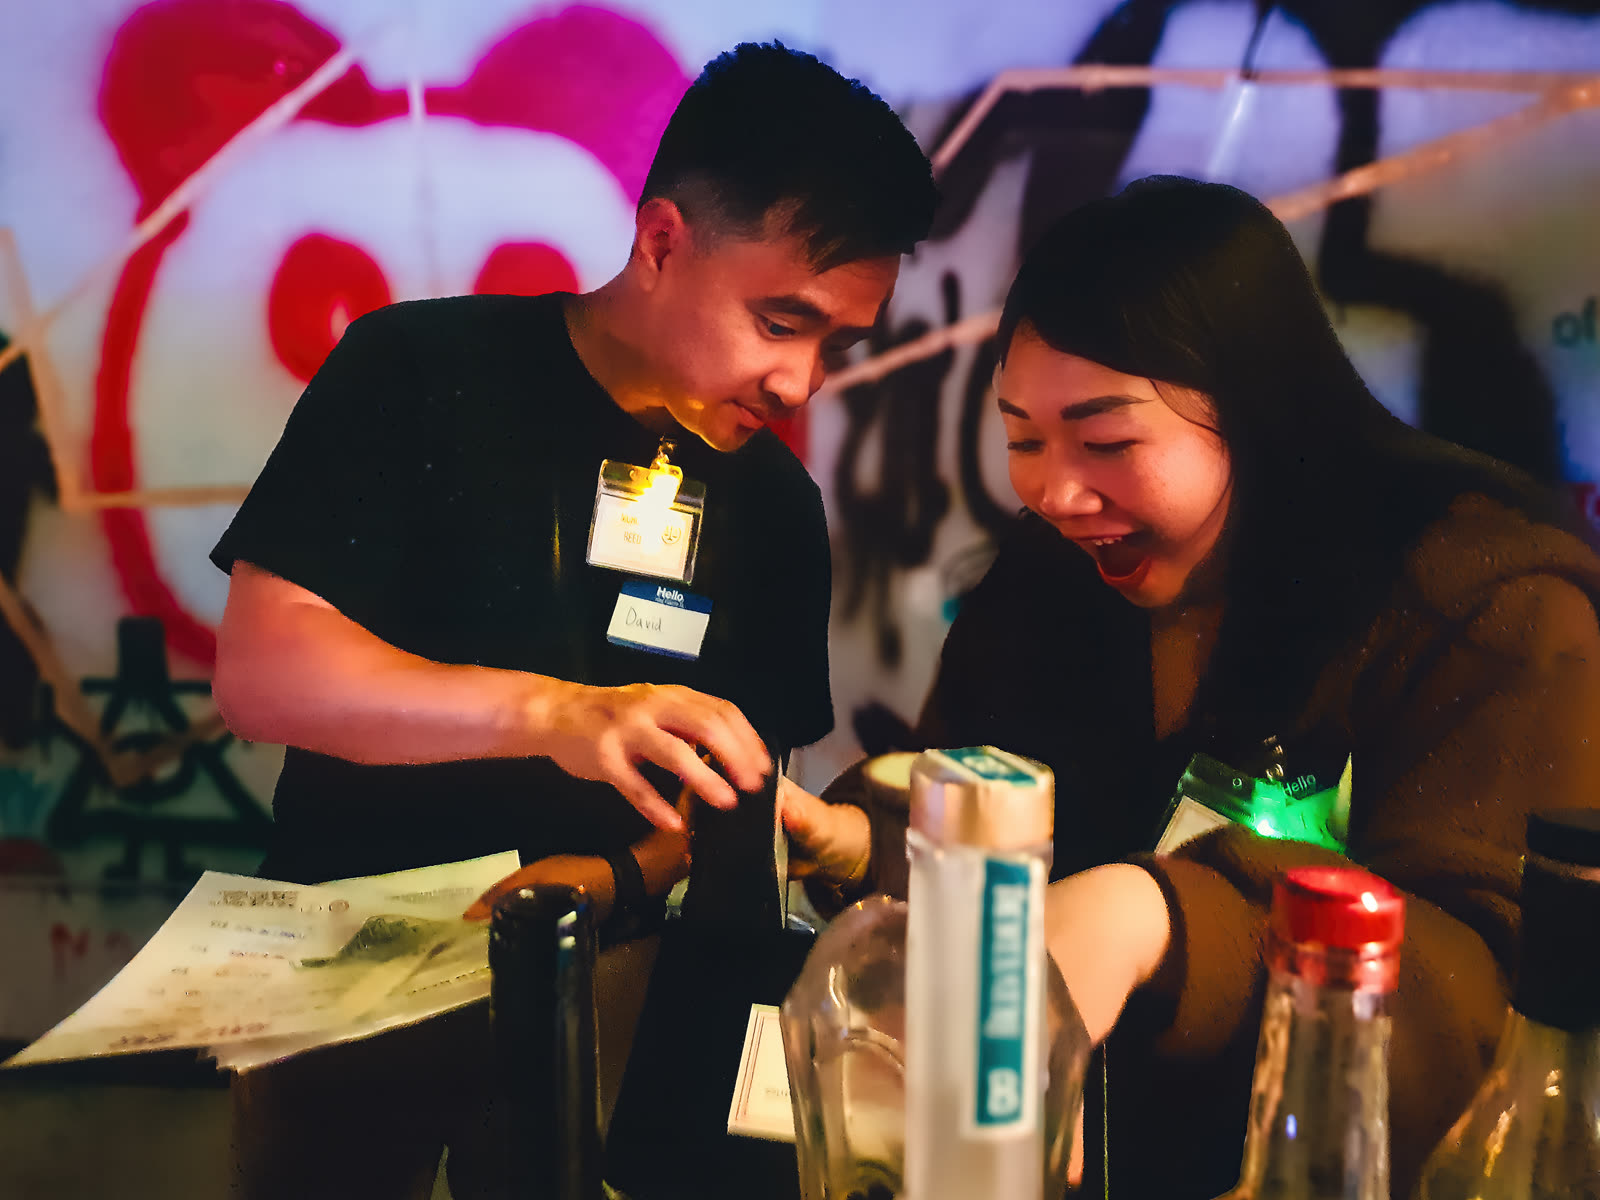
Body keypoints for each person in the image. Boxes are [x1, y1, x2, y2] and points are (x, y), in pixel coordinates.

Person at [210, 42, 937, 1199]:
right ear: (659, 243)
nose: (799, 383)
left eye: (831, 345)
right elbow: (260, 671)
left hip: (612, 980)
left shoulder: (772, 504)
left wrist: (601, 879)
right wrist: (555, 714)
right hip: (342, 954)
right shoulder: (420, 370)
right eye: (778, 322)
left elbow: (739, 808)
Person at [780, 175, 1600, 1199]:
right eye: (1024, 439)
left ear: (1254, 407)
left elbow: (1492, 1010)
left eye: (1108, 441)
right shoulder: (1048, 581)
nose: (1056, 493)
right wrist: (871, 841)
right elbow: (986, 790)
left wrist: (1155, 917)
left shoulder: (1480, 609)